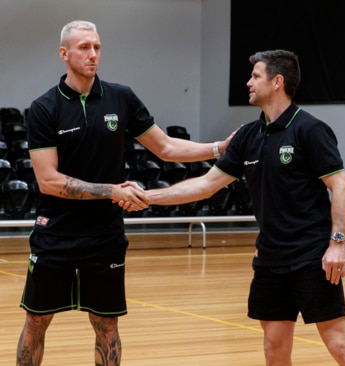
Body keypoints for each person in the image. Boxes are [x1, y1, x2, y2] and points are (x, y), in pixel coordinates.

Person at [16, 20, 235, 366]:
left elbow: (164, 147)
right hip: (55, 232)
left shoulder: (122, 97)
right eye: (84, 47)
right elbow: (49, 181)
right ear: (64, 53)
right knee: (36, 320)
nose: (93, 55)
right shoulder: (45, 108)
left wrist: (218, 148)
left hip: (105, 235)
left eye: (97, 47)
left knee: (106, 325)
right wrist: (112, 191)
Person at [141, 49, 345, 365]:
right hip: (270, 260)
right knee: (274, 348)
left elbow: (341, 186)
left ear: (277, 82)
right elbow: (206, 185)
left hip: (311, 258)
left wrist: (337, 245)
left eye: (255, 76)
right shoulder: (247, 136)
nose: (248, 83)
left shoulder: (309, 129)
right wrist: (147, 197)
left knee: (340, 346)